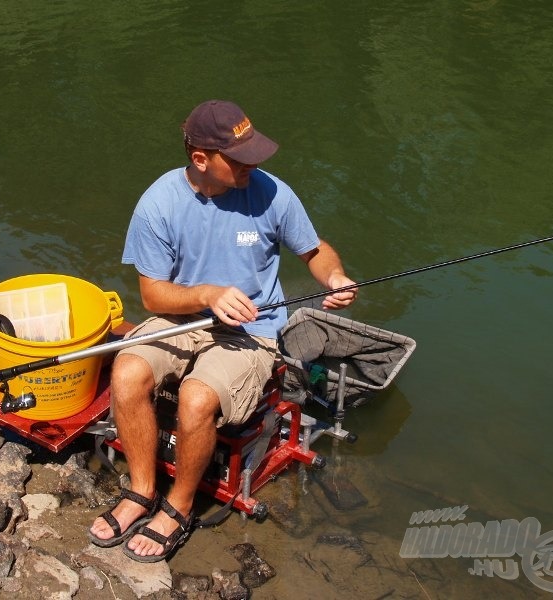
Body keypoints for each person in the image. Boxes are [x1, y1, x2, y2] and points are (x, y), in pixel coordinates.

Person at [89, 100, 357, 562]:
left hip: (251, 331)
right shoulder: (159, 202)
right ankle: (141, 491)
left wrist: (334, 278)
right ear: (201, 159)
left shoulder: (272, 193)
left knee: (196, 397)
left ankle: (178, 506)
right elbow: (152, 296)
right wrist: (207, 295)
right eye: (241, 157)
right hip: (182, 318)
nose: (254, 164)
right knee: (128, 369)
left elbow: (314, 251)